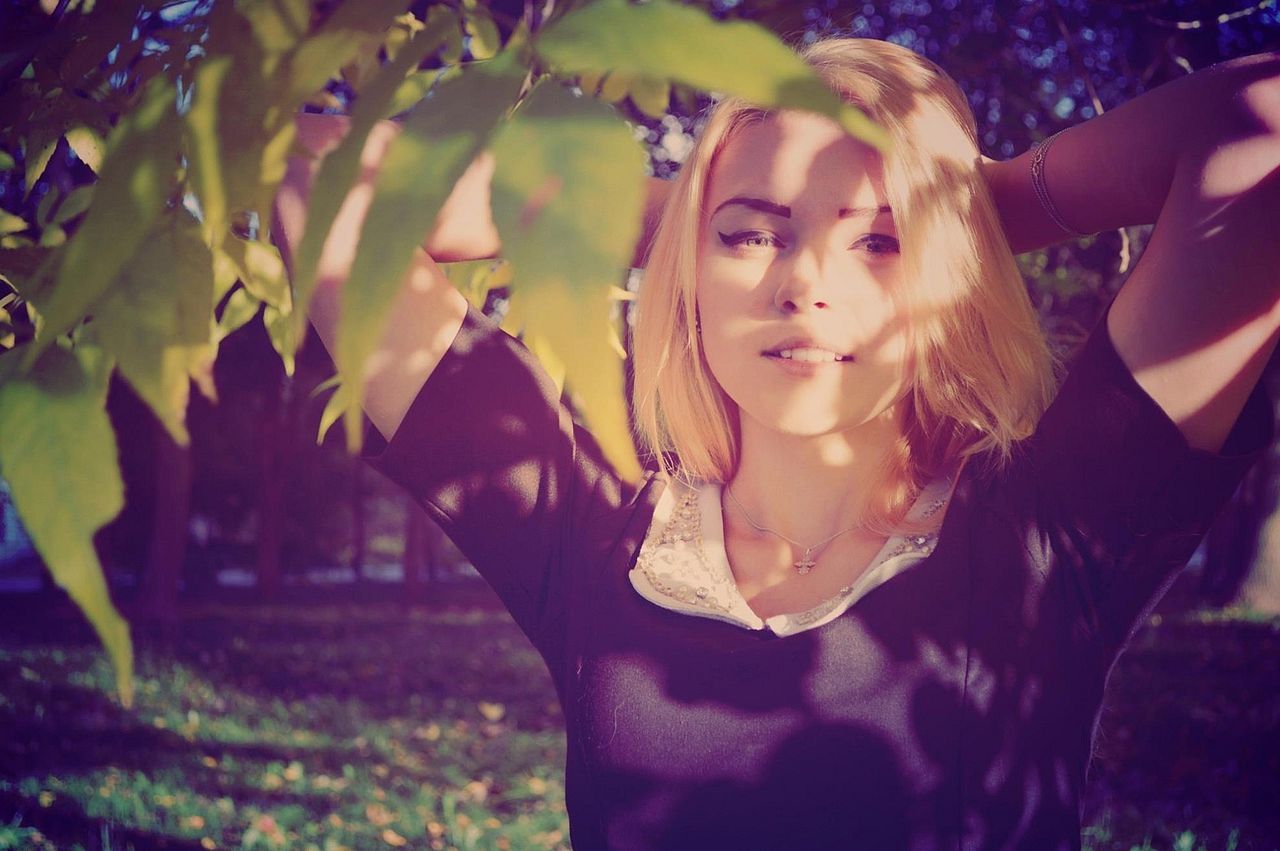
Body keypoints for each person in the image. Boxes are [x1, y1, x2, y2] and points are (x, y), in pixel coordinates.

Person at [274, 38, 1278, 851]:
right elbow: (313, 172)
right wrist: (686, 214)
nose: (803, 283)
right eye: (750, 236)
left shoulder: (1047, 535)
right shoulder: (586, 536)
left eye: (880, 241)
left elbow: (1256, 126)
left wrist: (974, 210)